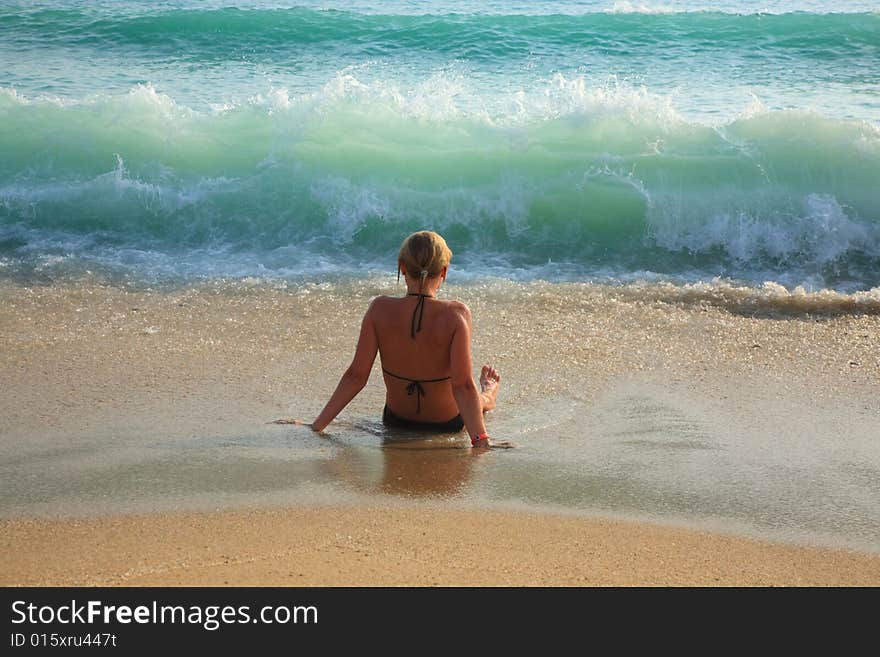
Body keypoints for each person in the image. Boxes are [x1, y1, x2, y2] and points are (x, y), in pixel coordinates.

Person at [277, 231, 511, 449]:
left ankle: (487, 396)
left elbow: (356, 377)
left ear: (401, 267)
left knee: (471, 398)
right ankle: (489, 394)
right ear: (444, 272)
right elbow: (462, 386)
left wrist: (316, 425)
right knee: (475, 400)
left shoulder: (379, 310)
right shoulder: (456, 314)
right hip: (447, 422)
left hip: (396, 420)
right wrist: (480, 441)